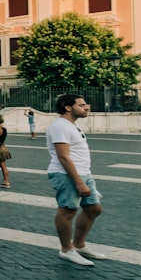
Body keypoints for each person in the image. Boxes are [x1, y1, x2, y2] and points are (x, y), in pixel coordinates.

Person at [46, 94, 105, 266]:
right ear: (68, 107)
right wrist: (79, 182)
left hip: (83, 173)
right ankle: (66, 249)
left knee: (93, 208)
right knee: (67, 211)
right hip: (66, 175)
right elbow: (63, 157)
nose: (87, 107)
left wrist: (84, 177)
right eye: (81, 105)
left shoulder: (72, 125)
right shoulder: (60, 126)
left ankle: (79, 245)